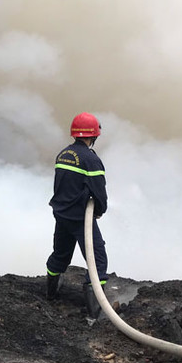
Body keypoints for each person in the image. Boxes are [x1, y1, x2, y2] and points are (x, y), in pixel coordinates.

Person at [45, 112, 108, 319]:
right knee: (97, 259)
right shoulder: (91, 160)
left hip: (61, 213)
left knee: (60, 254)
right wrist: (98, 211)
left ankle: (51, 292)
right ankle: (94, 312)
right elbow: (99, 192)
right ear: (94, 135)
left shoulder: (63, 154)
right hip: (80, 217)